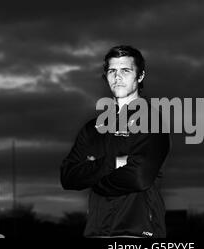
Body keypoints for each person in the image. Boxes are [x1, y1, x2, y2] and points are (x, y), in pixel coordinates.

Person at [60, 45, 170, 238]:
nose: (117, 77)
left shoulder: (152, 120)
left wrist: (94, 176)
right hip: (96, 232)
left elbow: (139, 177)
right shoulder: (93, 129)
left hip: (137, 232)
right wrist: (115, 163)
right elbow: (68, 177)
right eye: (112, 71)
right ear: (106, 76)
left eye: (125, 71)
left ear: (140, 76)